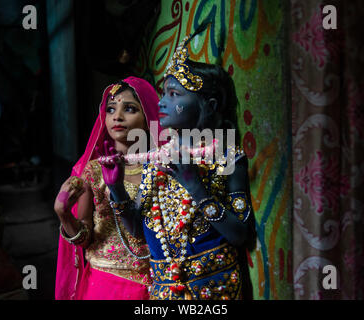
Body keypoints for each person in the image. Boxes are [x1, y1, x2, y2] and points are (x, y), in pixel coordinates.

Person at [103, 35, 256, 300]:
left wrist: (196, 186)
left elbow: (241, 234)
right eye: (164, 93)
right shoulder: (155, 160)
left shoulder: (227, 157)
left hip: (215, 290)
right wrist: (116, 190)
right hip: (164, 293)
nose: (162, 102)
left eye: (175, 94)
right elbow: (139, 231)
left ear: (209, 106)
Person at [54, 76, 163, 300]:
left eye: (130, 108)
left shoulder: (162, 168)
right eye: (111, 109)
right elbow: (86, 239)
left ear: (148, 116)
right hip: (105, 284)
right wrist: (64, 215)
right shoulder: (93, 172)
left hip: (156, 283)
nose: (117, 116)